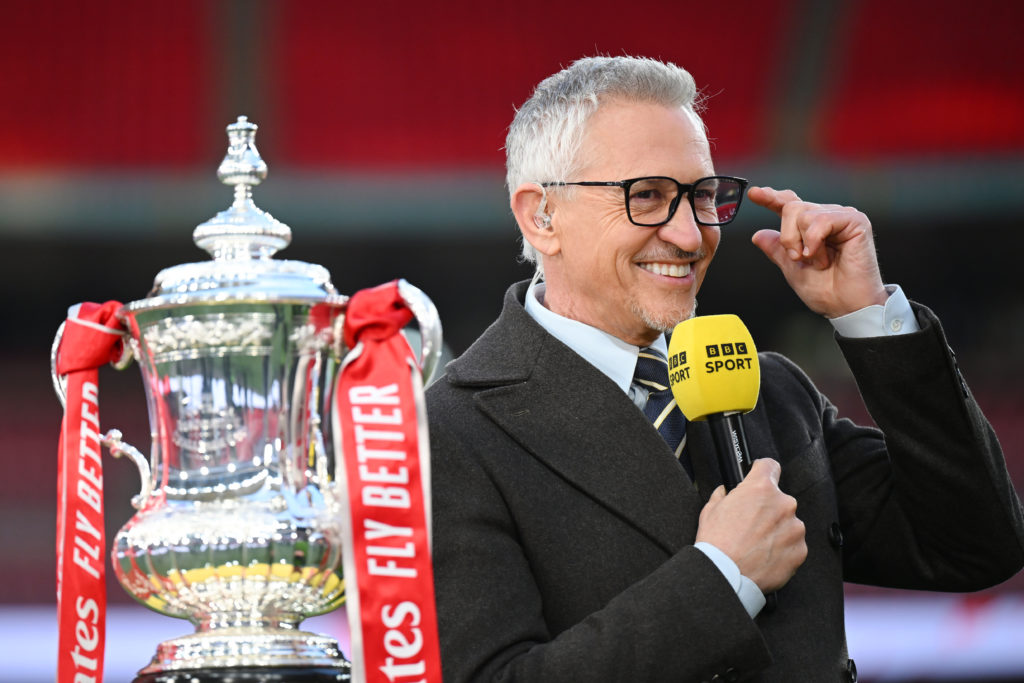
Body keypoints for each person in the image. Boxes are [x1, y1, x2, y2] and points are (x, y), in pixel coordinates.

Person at [425, 56, 1024, 682]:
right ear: (540, 216)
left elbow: (974, 546)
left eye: (703, 196)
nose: (690, 236)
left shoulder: (773, 391)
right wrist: (722, 577)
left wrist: (869, 317)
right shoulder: (450, 433)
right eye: (649, 196)